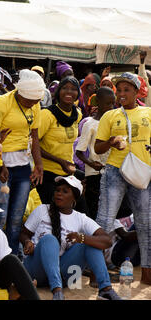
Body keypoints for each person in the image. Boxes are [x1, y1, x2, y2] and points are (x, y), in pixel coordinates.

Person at [20, 176, 121, 300]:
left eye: (65, 191)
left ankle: (106, 290)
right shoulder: (42, 210)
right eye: (58, 190)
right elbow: (24, 233)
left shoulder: (80, 218)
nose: (59, 194)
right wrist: (27, 242)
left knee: (90, 243)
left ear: (74, 198)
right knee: (49, 239)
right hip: (36, 271)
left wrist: (81, 238)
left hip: (63, 273)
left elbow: (107, 241)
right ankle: (57, 292)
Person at [94, 72, 151, 285]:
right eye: (120, 90)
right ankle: (97, 272)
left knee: (145, 224)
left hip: (142, 173)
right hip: (115, 171)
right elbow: (97, 147)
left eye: (127, 90)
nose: (122, 94)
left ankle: (147, 273)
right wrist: (110, 142)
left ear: (137, 91)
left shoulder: (148, 113)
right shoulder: (110, 116)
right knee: (104, 221)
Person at [0, 69, 45, 255]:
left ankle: (13, 257)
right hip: (1, 163)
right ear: (21, 94)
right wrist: (0, 165)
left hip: (22, 164)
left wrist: (39, 166)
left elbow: (34, 137)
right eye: (30, 101)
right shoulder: (1, 103)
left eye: (37, 101)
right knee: (0, 216)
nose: (34, 104)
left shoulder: (35, 105)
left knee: (16, 219)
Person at [36, 76, 83, 207]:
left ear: (78, 94)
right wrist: (60, 161)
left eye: (73, 89)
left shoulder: (77, 114)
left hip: (67, 172)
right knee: (53, 211)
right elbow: (33, 144)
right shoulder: (47, 114)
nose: (69, 92)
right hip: (47, 173)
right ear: (58, 92)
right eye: (64, 88)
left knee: (81, 210)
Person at [75, 87, 115, 220]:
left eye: (112, 103)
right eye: (107, 103)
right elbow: (79, 152)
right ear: (98, 102)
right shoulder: (90, 124)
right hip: (94, 174)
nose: (111, 107)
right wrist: (91, 164)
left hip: (110, 171)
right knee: (94, 210)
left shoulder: (114, 122)